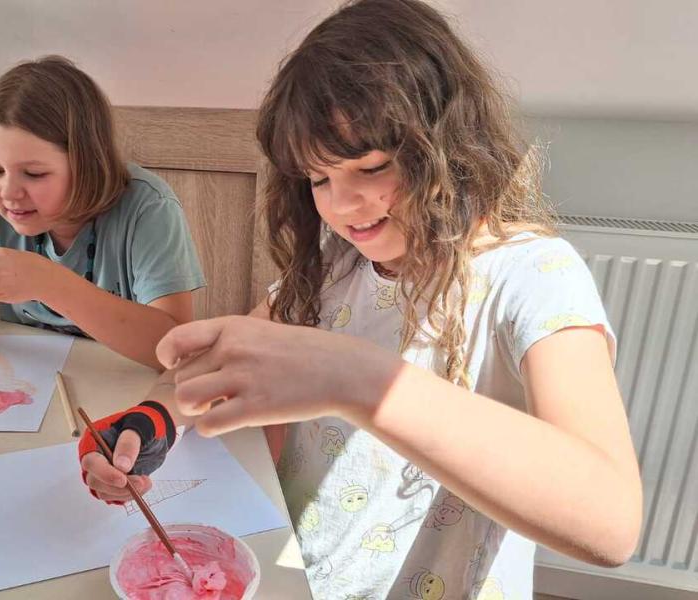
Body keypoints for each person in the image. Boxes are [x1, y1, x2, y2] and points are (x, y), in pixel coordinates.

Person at [79, 1, 642, 597]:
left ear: (448, 145)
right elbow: (223, 364)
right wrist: (153, 419)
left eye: (371, 167)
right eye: (319, 179)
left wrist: (364, 382)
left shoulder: (532, 274)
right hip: (297, 576)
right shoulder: (338, 262)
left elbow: (611, 524)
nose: (342, 205)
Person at [0, 55, 205, 370]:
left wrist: (48, 282)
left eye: (34, 174)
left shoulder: (148, 206)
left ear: (87, 165)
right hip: (28, 381)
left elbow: (176, 349)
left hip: (122, 388)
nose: (8, 192)